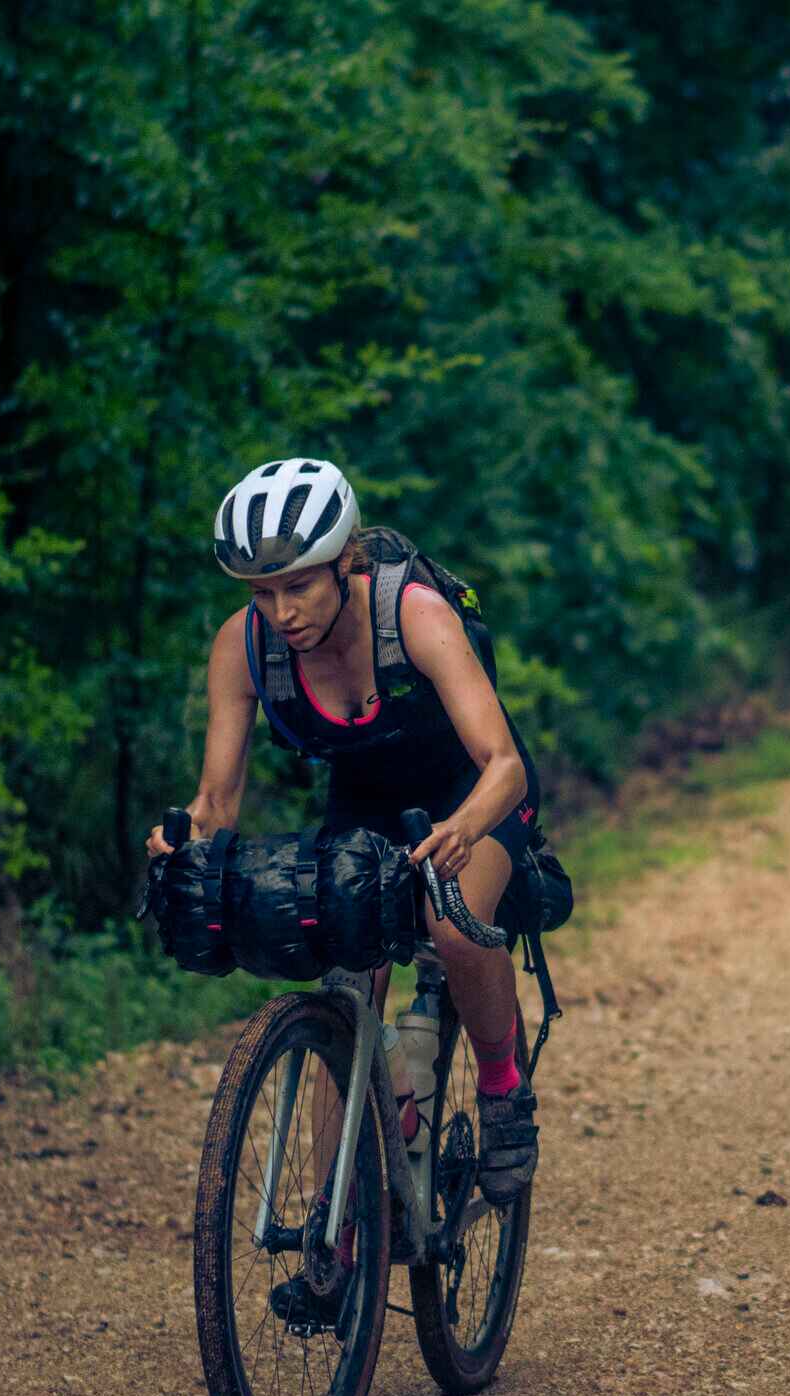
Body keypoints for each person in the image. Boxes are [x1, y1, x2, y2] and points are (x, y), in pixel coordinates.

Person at [147, 459, 540, 1318]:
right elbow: (216, 799)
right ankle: (342, 1231)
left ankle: (506, 1091)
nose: (281, 612)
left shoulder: (416, 616)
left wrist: (466, 827)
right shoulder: (243, 649)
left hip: (470, 795)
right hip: (362, 809)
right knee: (341, 989)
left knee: (453, 916)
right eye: (261, 592)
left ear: (344, 563)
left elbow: (502, 763)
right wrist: (183, 835)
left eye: (297, 586)